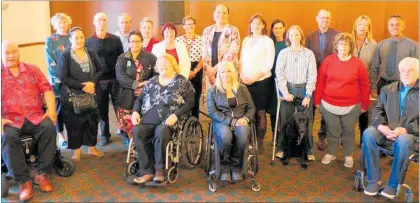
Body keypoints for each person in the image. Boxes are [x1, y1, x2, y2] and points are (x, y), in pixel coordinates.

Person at [2, 41, 57, 201]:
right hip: (9, 119)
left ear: (19, 53)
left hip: (34, 115)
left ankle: (42, 174)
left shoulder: (32, 69)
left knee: (49, 127)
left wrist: (51, 111)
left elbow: (47, 89)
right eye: (6, 52)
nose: (11, 55)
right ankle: (24, 181)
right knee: (8, 137)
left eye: (14, 51)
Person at [131, 54, 195, 184]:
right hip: (149, 118)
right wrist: (135, 112)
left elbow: (190, 102)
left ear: (173, 65)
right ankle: (147, 171)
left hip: (170, 119)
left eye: (166, 64)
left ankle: (159, 170)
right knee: (138, 131)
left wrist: (175, 115)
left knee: (161, 132)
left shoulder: (182, 82)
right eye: (160, 64)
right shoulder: (152, 81)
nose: (162, 66)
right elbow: (140, 99)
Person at [362, 57, 419, 199]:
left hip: (413, 136)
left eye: (410, 71)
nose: (406, 74)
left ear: (418, 72)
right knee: (369, 133)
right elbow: (377, 111)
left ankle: (393, 185)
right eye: (403, 71)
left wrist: (405, 129)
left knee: (404, 140)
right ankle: (374, 180)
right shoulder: (388, 89)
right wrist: (382, 127)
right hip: (388, 132)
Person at [314, 33, 370, 168]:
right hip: (328, 103)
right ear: (336, 46)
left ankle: (348, 155)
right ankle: (331, 153)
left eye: (346, 44)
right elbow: (320, 82)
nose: (343, 46)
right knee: (333, 130)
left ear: (351, 47)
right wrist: (317, 101)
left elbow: (364, 85)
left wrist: (365, 104)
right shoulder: (328, 61)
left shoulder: (358, 64)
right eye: (341, 44)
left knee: (348, 130)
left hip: (352, 105)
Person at [58, 27, 104, 162]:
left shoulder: (90, 52)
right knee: (74, 123)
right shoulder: (65, 55)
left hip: (91, 92)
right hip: (72, 96)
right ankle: (76, 151)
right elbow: (63, 77)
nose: (79, 40)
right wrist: (82, 86)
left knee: (92, 121)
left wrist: (92, 84)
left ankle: (92, 148)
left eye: (82, 37)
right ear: (70, 39)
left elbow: (100, 71)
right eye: (76, 37)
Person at [207, 61, 256, 182]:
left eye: (228, 71)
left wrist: (245, 118)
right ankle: (224, 167)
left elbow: (251, 108)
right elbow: (212, 112)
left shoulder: (242, 88)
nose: (225, 74)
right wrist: (231, 121)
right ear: (218, 74)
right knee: (225, 137)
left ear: (234, 73)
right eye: (222, 71)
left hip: (241, 120)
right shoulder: (213, 90)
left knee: (243, 135)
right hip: (222, 121)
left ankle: (235, 167)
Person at [275, 25, 317, 161]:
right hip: (289, 89)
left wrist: (308, 95)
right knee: (285, 121)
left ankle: (309, 150)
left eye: (297, 34)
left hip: (305, 89)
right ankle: (281, 148)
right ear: (288, 37)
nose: (294, 37)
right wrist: (285, 93)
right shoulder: (284, 53)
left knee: (307, 122)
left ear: (301, 37)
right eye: (291, 35)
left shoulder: (309, 53)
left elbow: (312, 75)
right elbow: (279, 74)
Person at [85, 12, 124, 146]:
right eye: (99, 20)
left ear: (107, 22)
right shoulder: (88, 42)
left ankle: (124, 133)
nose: (102, 22)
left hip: (115, 80)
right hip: (99, 81)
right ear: (94, 22)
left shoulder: (115, 39)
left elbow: (121, 59)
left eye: (104, 19)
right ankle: (105, 135)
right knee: (102, 110)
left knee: (119, 108)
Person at [240, 13, 275, 154]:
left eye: (259, 23)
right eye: (253, 23)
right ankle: (249, 139)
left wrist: (254, 77)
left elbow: (269, 64)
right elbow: (241, 60)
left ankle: (259, 142)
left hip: (261, 82)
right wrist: (241, 74)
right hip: (245, 82)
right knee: (248, 112)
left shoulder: (267, 41)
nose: (256, 25)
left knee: (260, 112)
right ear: (250, 25)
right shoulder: (246, 40)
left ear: (263, 26)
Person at [305, 9, 340, 150]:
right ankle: (307, 136)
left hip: (330, 78)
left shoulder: (337, 35)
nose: (324, 20)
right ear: (317, 19)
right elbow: (306, 56)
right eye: (322, 18)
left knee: (326, 109)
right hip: (313, 77)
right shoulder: (309, 36)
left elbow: (339, 56)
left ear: (330, 20)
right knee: (311, 107)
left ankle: (322, 136)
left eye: (327, 18)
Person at [115, 30, 157, 146]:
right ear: (128, 43)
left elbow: (158, 73)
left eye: (137, 41)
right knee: (129, 123)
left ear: (142, 42)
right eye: (132, 41)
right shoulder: (122, 58)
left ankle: (144, 145)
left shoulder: (150, 57)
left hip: (147, 95)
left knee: (145, 122)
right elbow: (121, 76)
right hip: (127, 95)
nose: (134, 44)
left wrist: (147, 85)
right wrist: (137, 85)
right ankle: (133, 145)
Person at [370, 15, 418, 98]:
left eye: (398, 24)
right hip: (382, 86)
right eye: (392, 25)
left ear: (403, 27)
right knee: (382, 110)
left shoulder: (413, 46)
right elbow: (374, 68)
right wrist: (373, 86)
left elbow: (417, 70)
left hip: (403, 86)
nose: (395, 27)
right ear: (388, 27)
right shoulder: (381, 45)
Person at [45, 13, 72, 148]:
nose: (62, 25)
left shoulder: (72, 37)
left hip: (73, 79)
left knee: (73, 108)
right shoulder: (51, 40)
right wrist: (63, 78)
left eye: (64, 22)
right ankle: (61, 135)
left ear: (68, 24)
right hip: (58, 81)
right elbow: (51, 62)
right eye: (59, 23)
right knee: (60, 110)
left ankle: (74, 134)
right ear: (55, 25)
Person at [351, 15, 377, 146]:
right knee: (348, 112)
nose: (362, 27)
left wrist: (372, 86)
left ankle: (363, 138)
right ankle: (346, 138)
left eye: (365, 25)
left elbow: (373, 68)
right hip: (348, 83)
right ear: (355, 26)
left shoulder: (373, 45)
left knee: (363, 112)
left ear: (368, 28)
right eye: (360, 24)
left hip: (363, 84)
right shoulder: (348, 41)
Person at [202, 4, 240, 86]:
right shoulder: (207, 31)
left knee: (227, 96)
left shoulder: (233, 30)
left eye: (224, 13)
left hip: (226, 72)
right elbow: (204, 52)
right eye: (218, 12)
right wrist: (210, 72)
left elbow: (232, 53)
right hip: (209, 72)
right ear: (214, 14)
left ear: (228, 15)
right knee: (212, 97)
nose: (221, 15)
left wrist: (215, 69)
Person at [176, 15, 204, 118]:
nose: (189, 26)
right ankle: (183, 122)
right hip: (182, 70)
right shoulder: (178, 40)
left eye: (191, 24)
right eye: (187, 24)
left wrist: (195, 70)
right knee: (183, 97)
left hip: (197, 69)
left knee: (195, 97)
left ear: (195, 25)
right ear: (183, 26)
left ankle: (194, 122)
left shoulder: (201, 39)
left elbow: (203, 57)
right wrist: (185, 71)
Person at [266, 19, 287, 142]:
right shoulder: (269, 44)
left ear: (284, 29)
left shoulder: (288, 44)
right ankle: (275, 134)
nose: (278, 30)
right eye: (275, 28)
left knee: (284, 108)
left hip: (284, 81)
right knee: (273, 108)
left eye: (280, 27)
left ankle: (284, 135)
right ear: (272, 30)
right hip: (271, 80)